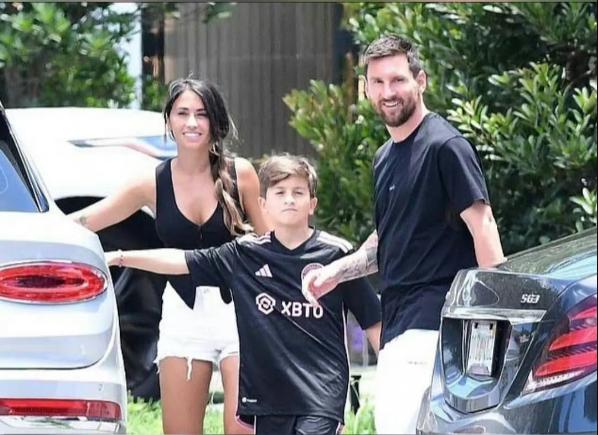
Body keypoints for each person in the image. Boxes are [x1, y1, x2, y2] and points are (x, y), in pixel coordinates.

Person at [301, 35, 507, 434]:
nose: (388, 92)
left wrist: (496, 322)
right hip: (397, 323)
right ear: (365, 89)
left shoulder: (445, 146)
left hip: (435, 322)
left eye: (397, 80)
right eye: (377, 82)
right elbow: (389, 238)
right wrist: (335, 273)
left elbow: (483, 225)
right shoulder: (385, 158)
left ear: (421, 81)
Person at [104, 155, 382, 435]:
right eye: (280, 193)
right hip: (269, 400)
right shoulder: (245, 255)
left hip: (321, 395)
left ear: (312, 204)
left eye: (298, 193)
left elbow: (371, 317)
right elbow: (182, 260)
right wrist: (119, 257)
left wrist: (391, 375)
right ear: (263, 204)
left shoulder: (336, 255)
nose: (289, 200)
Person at [70, 78, 270, 434]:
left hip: (241, 312)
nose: (192, 122)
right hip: (182, 314)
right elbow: (88, 220)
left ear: (215, 121)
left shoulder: (240, 174)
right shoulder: (151, 182)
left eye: (201, 114)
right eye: (183, 113)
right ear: (169, 120)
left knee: (245, 429)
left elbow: (270, 245)